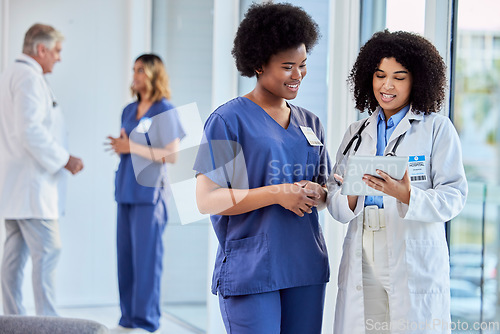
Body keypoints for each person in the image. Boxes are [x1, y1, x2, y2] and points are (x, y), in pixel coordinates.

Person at [193, 3, 331, 333]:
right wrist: (277, 194)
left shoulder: (310, 122)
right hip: (252, 269)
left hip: (305, 266)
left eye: (303, 65)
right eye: (288, 66)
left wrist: (320, 193)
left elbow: (326, 193)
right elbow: (206, 199)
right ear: (258, 64)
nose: (298, 75)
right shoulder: (228, 120)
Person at [326, 30, 468, 334]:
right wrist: (349, 195)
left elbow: (454, 196)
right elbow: (336, 200)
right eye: (379, 75)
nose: (386, 86)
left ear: (417, 79)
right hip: (364, 246)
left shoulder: (436, 129)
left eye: (399, 77)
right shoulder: (355, 132)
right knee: (363, 325)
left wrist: (407, 195)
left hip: (410, 249)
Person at [0, 23, 84, 316]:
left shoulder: (13, 73)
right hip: (31, 188)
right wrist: (65, 159)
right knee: (49, 253)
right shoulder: (28, 78)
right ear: (41, 49)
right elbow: (31, 132)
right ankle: (47, 324)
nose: (59, 58)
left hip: (17, 187)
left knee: (13, 259)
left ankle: (11, 320)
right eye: (57, 51)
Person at [106, 53, 185, 334]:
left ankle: (146, 321)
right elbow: (126, 145)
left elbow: (172, 155)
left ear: (153, 74)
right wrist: (121, 146)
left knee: (147, 260)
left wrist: (131, 148)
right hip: (125, 190)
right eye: (134, 70)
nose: (135, 75)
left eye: (141, 70)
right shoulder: (129, 110)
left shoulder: (165, 110)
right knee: (125, 257)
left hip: (150, 195)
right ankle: (127, 318)